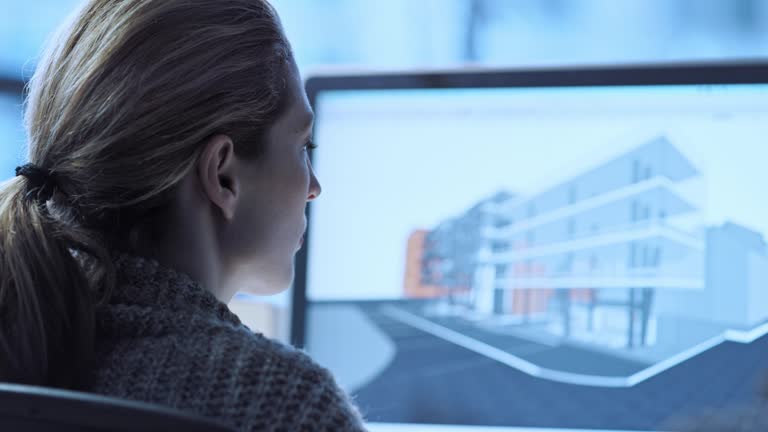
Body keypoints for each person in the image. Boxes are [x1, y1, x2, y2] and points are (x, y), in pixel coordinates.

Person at [0, 0, 366, 430]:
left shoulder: (24, 343)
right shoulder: (285, 405)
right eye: (304, 147)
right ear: (223, 175)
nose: (314, 188)